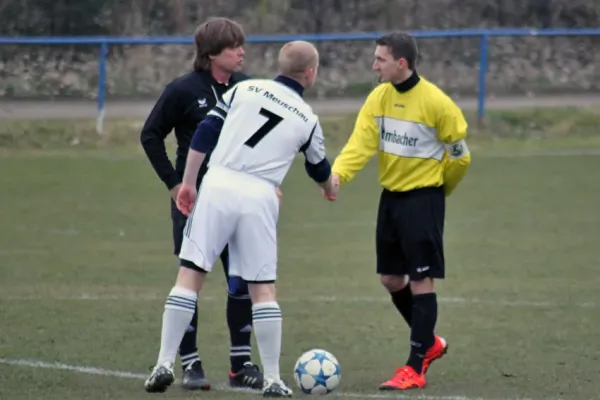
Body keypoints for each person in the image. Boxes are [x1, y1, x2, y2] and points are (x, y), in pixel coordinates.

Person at [144, 40, 338, 397]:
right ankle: (274, 380)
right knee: (262, 289)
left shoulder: (244, 88)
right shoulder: (308, 118)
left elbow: (204, 132)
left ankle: (163, 363)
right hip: (262, 196)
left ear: (279, 65)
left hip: (218, 183)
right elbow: (318, 167)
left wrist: (188, 182)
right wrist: (330, 185)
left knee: (190, 275)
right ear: (311, 74)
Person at [330, 31, 471, 391]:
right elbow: (360, 143)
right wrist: (338, 176)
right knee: (391, 279)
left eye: (380, 59)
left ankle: (415, 367)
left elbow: (460, 157)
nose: (374, 65)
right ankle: (430, 343)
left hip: (424, 198)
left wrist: (440, 190)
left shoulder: (438, 104)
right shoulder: (378, 97)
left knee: (422, 279)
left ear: (401, 63)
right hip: (390, 199)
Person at [140, 17, 264, 391]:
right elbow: (150, 135)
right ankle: (191, 365)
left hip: (240, 201)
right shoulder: (182, 90)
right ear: (211, 54)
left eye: (241, 44)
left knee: (241, 281)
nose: (241, 51)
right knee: (190, 282)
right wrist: (175, 184)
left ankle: (241, 364)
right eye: (233, 46)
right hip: (195, 203)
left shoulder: (248, 89)